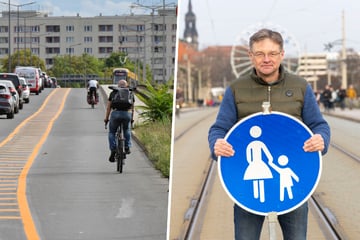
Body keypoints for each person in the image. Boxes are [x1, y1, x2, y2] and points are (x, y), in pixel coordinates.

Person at [208, 28, 331, 240]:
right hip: (246, 190)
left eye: (272, 53)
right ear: (250, 56)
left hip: (294, 187)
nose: (266, 59)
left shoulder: (300, 87)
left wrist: (322, 139)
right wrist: (217, 143)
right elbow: (219, 129)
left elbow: (319, 125)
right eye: (260, 54)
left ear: (282, 55)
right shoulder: (236, 89)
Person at [104, 80, 134, 162]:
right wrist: (131, 119)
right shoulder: (130, 93)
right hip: (127, 114)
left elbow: (108, 107)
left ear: (118, 85)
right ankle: (127, 147)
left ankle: (113, 149)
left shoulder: (113, 92)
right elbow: (132, 108)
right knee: (127, 129)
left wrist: (106, 118)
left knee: (112, 132)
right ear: (126, 85)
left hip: (115, 113)